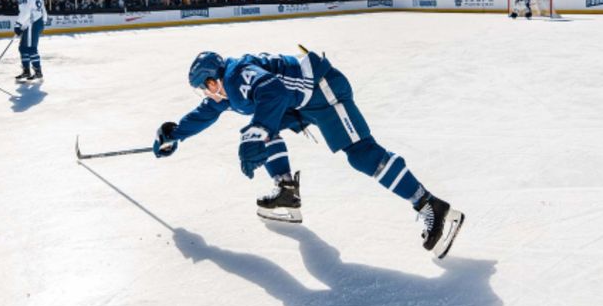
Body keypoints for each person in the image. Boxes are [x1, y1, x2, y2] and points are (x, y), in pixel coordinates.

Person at [153, 48, 464, 259]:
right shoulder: (225, 90)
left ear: (212, 81)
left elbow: (272, 91)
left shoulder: (235, 76)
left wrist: (256, 131)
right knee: (264, 128)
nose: (206, 94)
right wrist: (174, 134)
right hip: (301, 100)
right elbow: (205, 112)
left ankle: (430, 205)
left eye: (203, 88)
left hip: (323, 90)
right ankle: (286, 191)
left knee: (361, 154)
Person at [13, 0, 49, 82]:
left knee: (31, 48)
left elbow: (25, 12)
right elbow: (43, 10)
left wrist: (18, 25)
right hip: (35, 22)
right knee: (23, 48)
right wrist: (43, 22)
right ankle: (26, 71)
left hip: (32, 23)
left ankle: (38, 72)